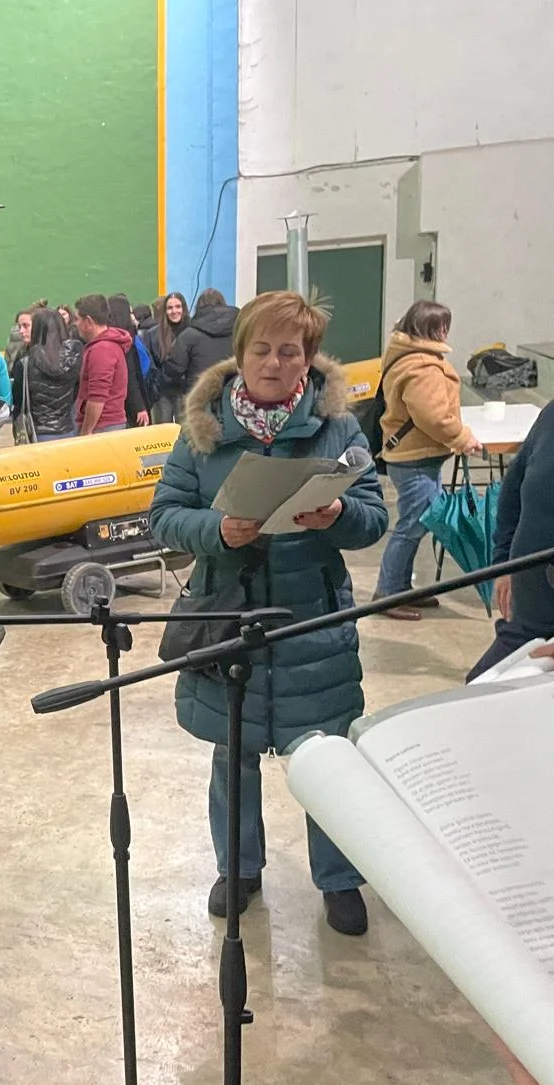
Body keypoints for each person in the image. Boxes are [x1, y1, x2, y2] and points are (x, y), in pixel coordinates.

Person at [149, 290, 389, 937]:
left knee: (328, 760)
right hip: (230, 615)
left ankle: (339, 878)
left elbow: (374, 518)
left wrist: (337, 515)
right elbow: (164, 515)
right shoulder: (203, 430)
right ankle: (239, 869)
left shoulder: (337, 428)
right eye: (262, 350)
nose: (274, 364)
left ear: (309, 360)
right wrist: (217, 530)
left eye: (290, 352)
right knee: (233, 755)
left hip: (312, 621)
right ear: (240, 354)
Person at [373, 301, 483, 618]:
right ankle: (387, 594)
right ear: (431, 328)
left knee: (417, 524)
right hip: (416, 458)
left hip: (415, 455)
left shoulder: (409, 357)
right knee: (413, 525)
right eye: (442, 326)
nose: (446, 331)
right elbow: (432, 417)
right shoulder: (422, 366)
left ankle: (399, 589)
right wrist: (462, 437)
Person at [468, 400, 554, 680]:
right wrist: (504, 563)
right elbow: (513, 489)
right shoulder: (551, 416)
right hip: (528, 619)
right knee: (475, 688)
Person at [73, 295, 132, 436]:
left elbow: (97, 397)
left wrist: (87, 431)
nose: (75, 324)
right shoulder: (107, 346)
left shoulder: (101, 350)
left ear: (88, 321)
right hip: (107, 425)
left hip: (102, 427)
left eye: (77, 319)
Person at [22, 307, 84, 442]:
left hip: (39, 432)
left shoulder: (26, 362)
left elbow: (21, 399)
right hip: (68, 428)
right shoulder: (74, 356)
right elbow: (77, 390)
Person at [163, 287, 238, 399]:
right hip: (230, 394)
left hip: (198, 395)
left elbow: (174, 370)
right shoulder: (238, 332)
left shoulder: (188, 335)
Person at [108, 294, 152, 427]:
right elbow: (131, 375)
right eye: (130, 313)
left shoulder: (108, 338)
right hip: (129, 404)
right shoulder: (126, 340)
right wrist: (140, 406)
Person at [145, 292, 190, 423]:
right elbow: (151, 365)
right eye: (170, 308)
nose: (174, 311)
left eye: (178, 306)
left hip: (186, 391)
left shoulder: (193, 332)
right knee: (162, 431)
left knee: (186, 431)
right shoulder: (152, 334)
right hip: (162, 392)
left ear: (184, 308)